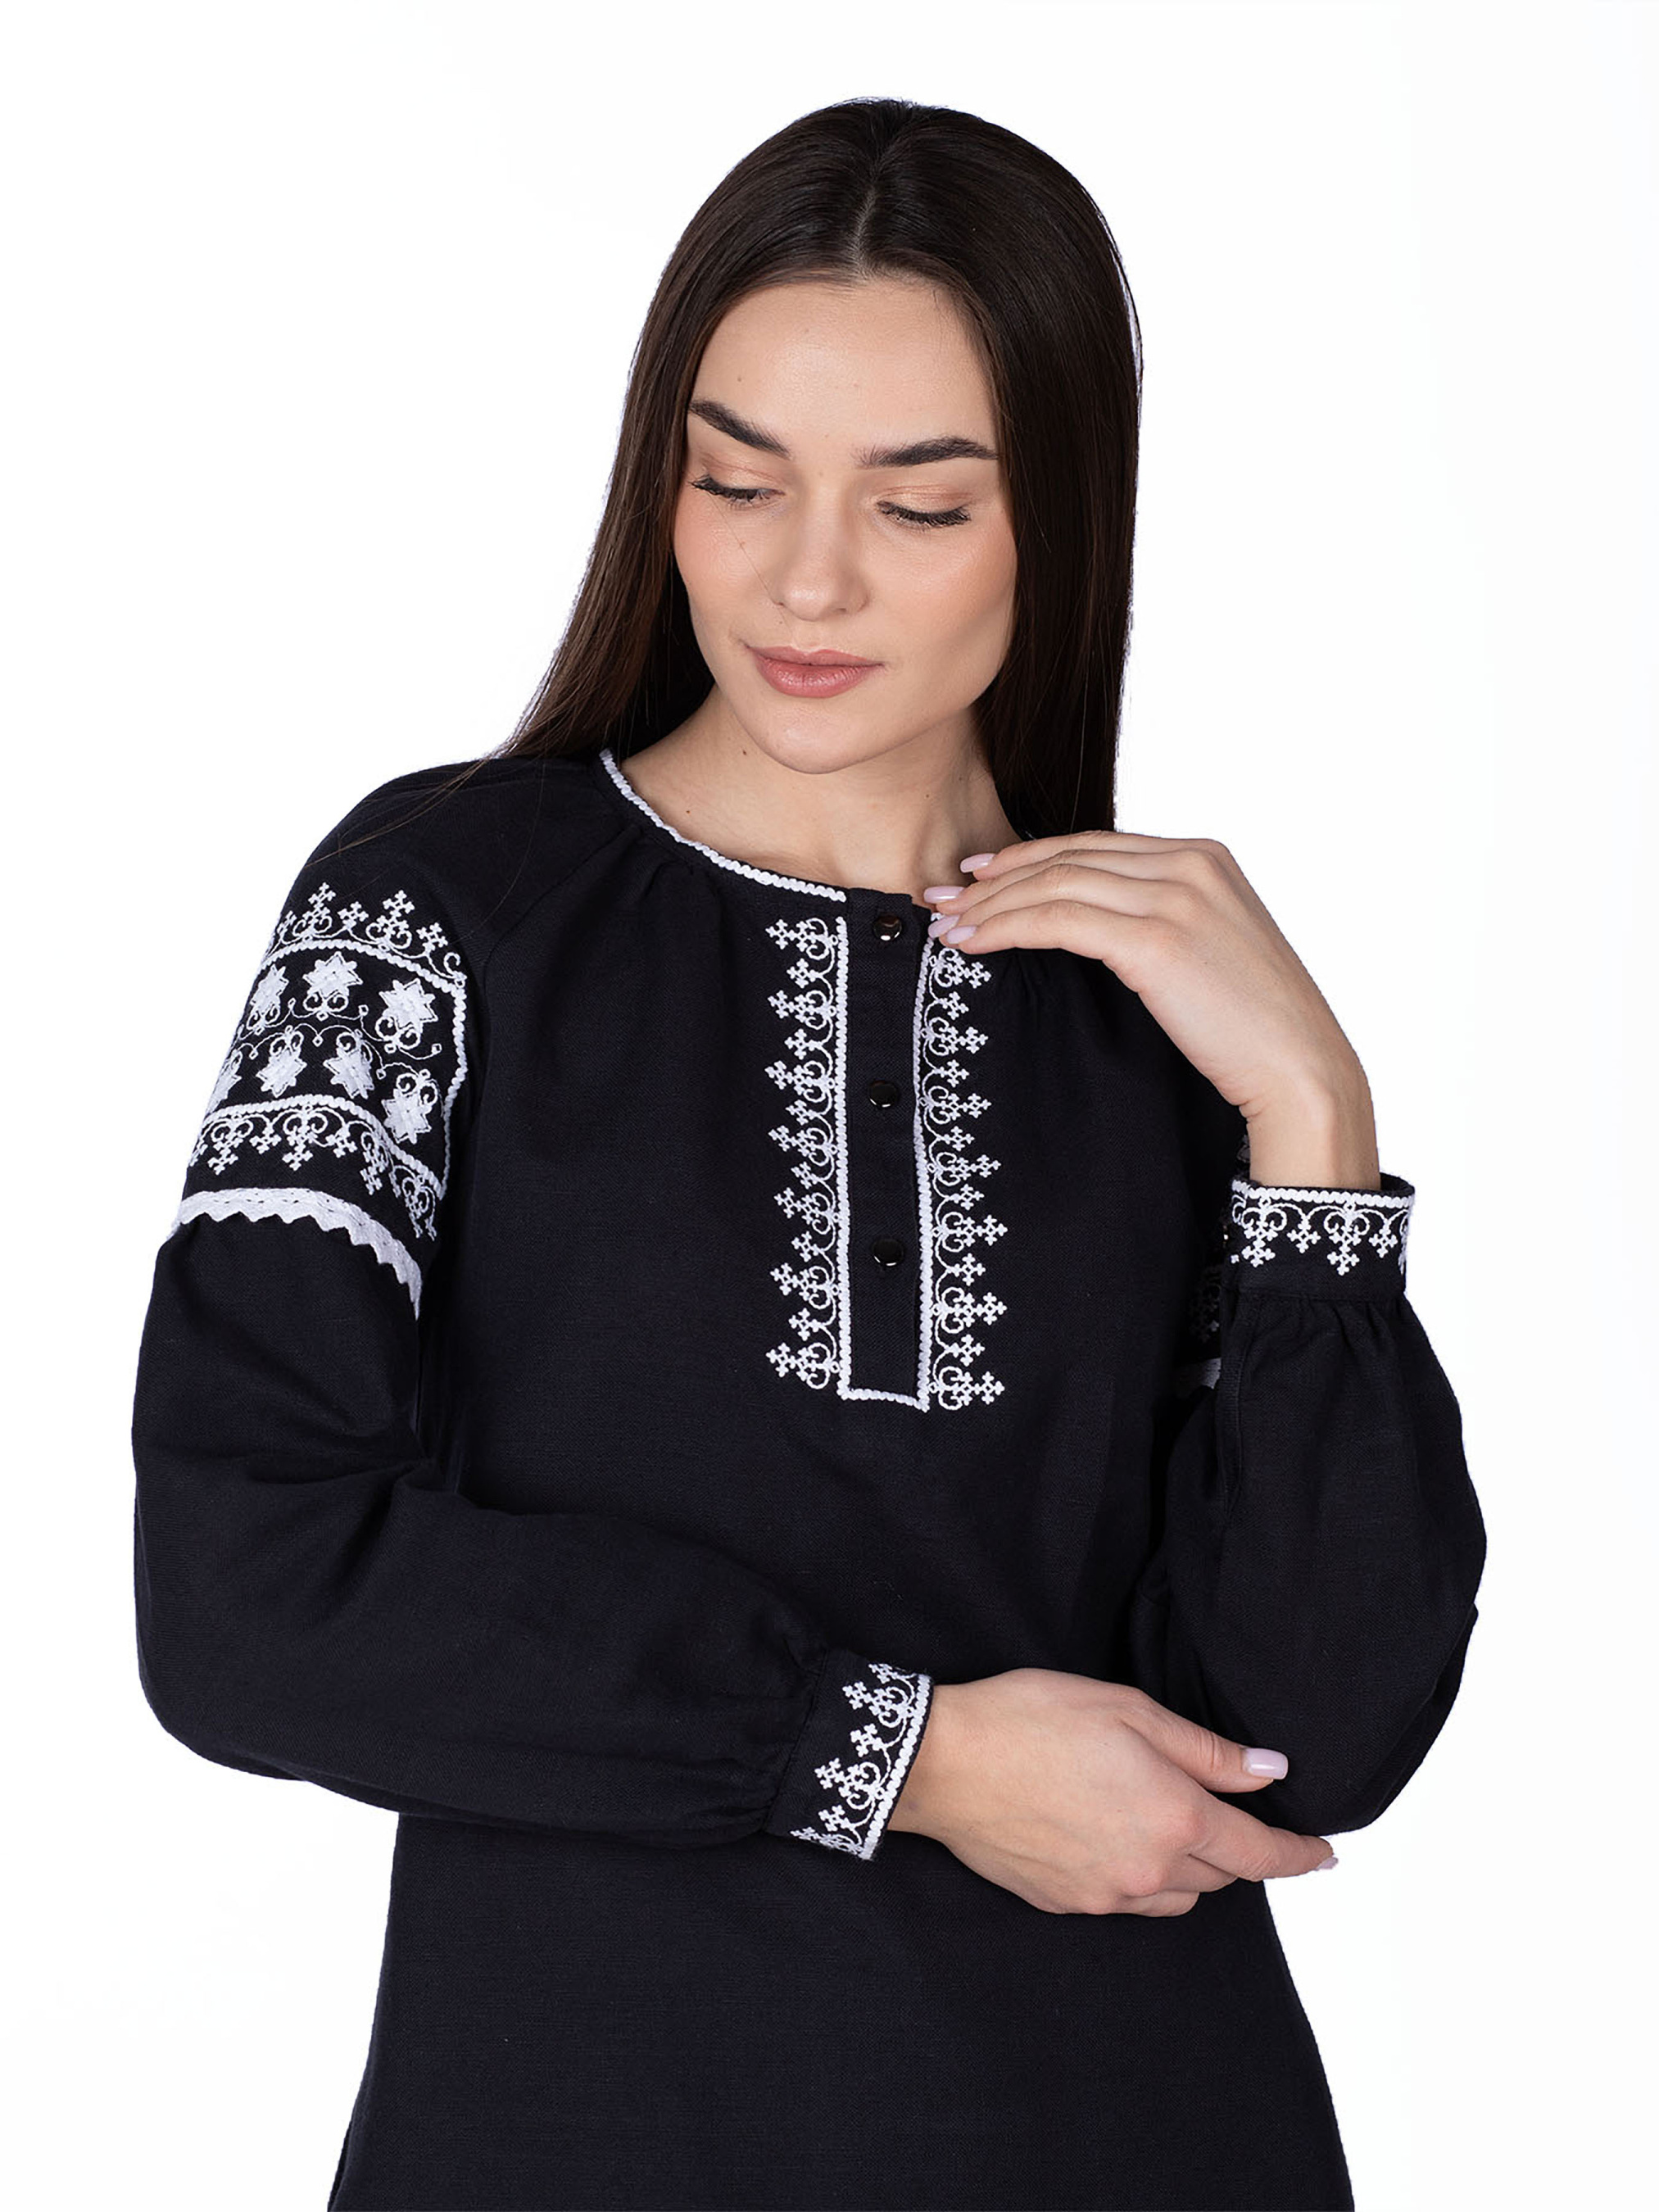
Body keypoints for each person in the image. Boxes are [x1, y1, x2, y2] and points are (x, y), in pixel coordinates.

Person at [129, 96, 1486, 2212]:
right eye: (735, 479)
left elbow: (1309, 1738)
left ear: (1063, 516)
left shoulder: (1163, 1015)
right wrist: (905, 1755)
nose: (806, 577)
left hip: (1139, 2140)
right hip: (576, 2144)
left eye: (919, 504)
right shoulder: (439, 914)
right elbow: (247, 1595)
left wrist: (1315, 1135)